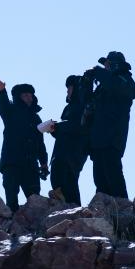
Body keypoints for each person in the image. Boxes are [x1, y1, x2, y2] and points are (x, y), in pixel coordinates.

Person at [81, 51, 135, 199]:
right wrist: (86, 82)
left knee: (113, 176)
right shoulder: (104, 86)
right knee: (100, 179)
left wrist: (97, 71)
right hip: (97, 139)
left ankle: (123, 207)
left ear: (116, 65)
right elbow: (87, 101)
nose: (105, 67)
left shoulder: (125, 81)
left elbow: (116, 85)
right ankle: (104, 208)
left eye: (108, 64)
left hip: (112, 139)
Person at [0, 77, 49, 212]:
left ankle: (34, 225)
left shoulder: (36, 118)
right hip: (12, 163)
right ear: (18, 97)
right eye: (25, 95)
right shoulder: (11, 111)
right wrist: (1, 91)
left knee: (35, 201)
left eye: (30, 95)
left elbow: (40, 143)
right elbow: (3, 105)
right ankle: (11, 223)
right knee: (11, 201)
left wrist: (44, 163)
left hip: (31, 166)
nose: (29, 98)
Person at [47, 75, 89, 204]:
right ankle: (64, 207)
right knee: (57, 177)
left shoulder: (84, 105)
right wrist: (54, 130)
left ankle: (75, 210)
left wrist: (58, 127)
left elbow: (78, 126)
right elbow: (65, 131)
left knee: (68, 181)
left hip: (74, 152)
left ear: (77, 88)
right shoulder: (70, 107)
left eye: (69, 88)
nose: (67, 91)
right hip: (62, 150)